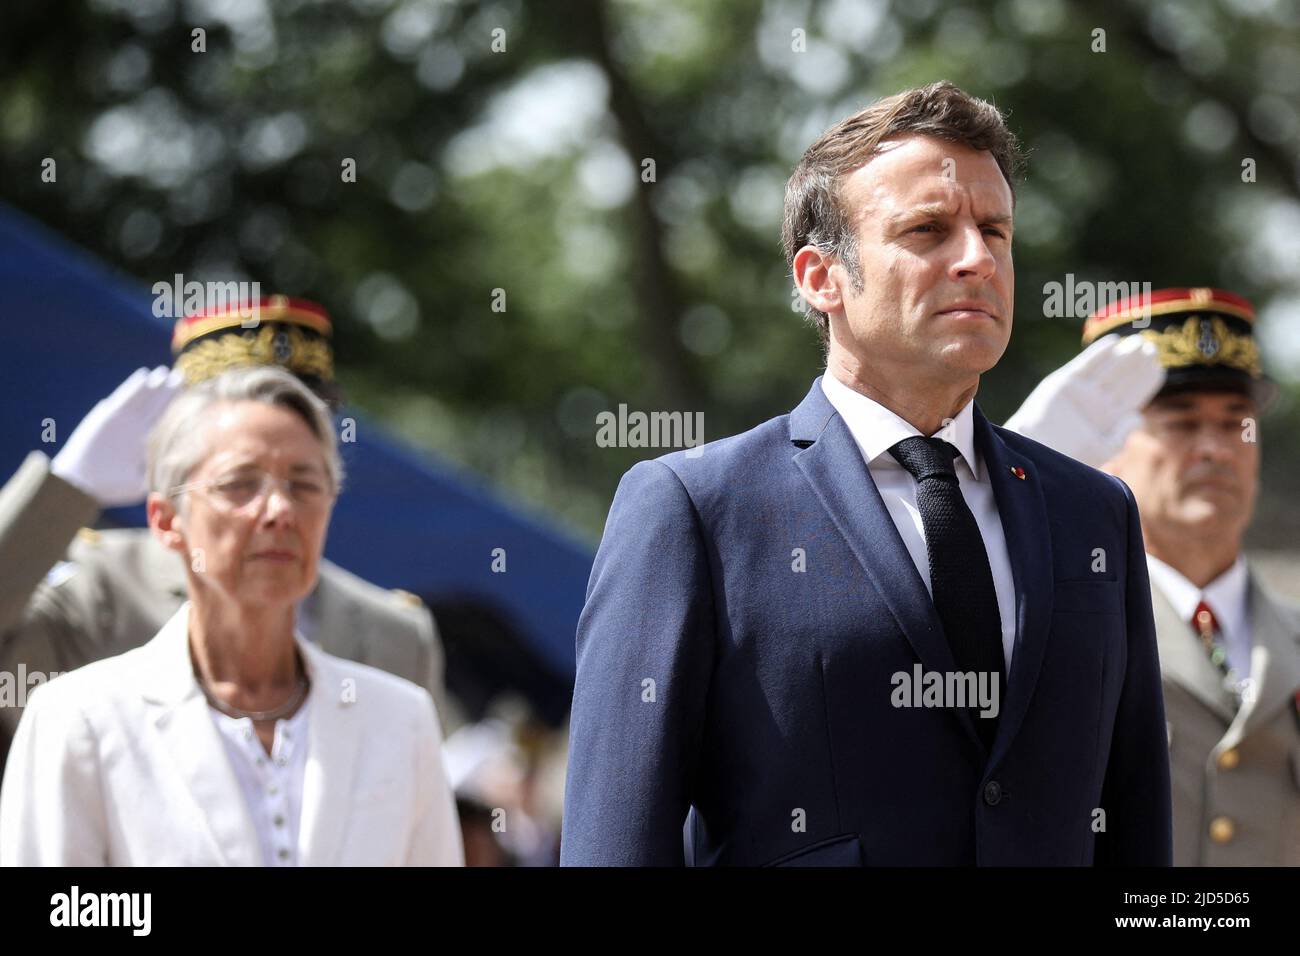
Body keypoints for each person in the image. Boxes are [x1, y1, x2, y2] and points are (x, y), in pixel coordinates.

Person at [560, 81, 1171, 866]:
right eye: (928, 230)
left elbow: (1136, 824)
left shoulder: (1094, 513)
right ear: (821, 278)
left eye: (995, 230)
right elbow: (616, 841)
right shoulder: (697, 510)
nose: (977, 259)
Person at [0, 366, 464, 865]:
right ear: (166, 521)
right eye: (240, 484)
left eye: (305, 484)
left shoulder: (400, 719)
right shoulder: (78, 717)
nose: (279, 510)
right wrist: (65, 487)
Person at [0, 296, 448, 771]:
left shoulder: (396, 635)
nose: (276, 507)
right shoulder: (97, 589)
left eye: (300, 426)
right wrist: (62, 491)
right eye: (240, 474)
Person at [1006, 287, 1299, 865]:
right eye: (1181, 422)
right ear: (1105, 442)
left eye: (1235, 421)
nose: (1215, 448)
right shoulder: (1046, 627)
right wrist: (1002, 502)